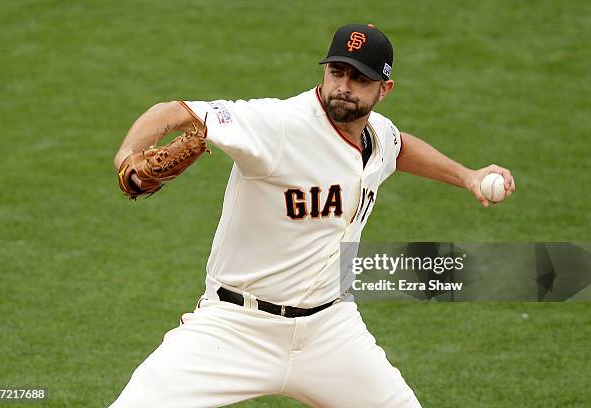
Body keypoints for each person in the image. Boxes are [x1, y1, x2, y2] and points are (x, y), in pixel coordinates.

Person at [110, 23, 515, 408]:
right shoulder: (278, 125)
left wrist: (468, 177)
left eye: (359, 78)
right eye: (337, 72)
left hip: (331, 331)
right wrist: (128, 155)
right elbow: (172, 112)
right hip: (235, 327)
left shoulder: (377, 136)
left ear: (384, 88)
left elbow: (400, 147)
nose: (343, 86)